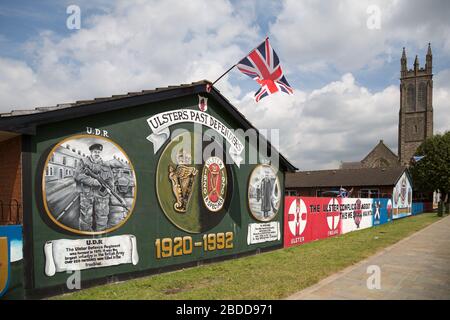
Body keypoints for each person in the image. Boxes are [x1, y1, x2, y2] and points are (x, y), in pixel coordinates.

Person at [74, 143, 115, 232]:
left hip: (102, 195)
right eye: (95, 152)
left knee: (102, 217)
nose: (97, 154)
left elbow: (110, 179)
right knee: (85, 218)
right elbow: (77, 175)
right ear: (91, 152)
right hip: (87, 193)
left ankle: (101, 236)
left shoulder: (105, 165)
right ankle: (85, 236)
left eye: (99, 152)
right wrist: (93, 182)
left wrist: (110, 189)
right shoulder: (83, 161)